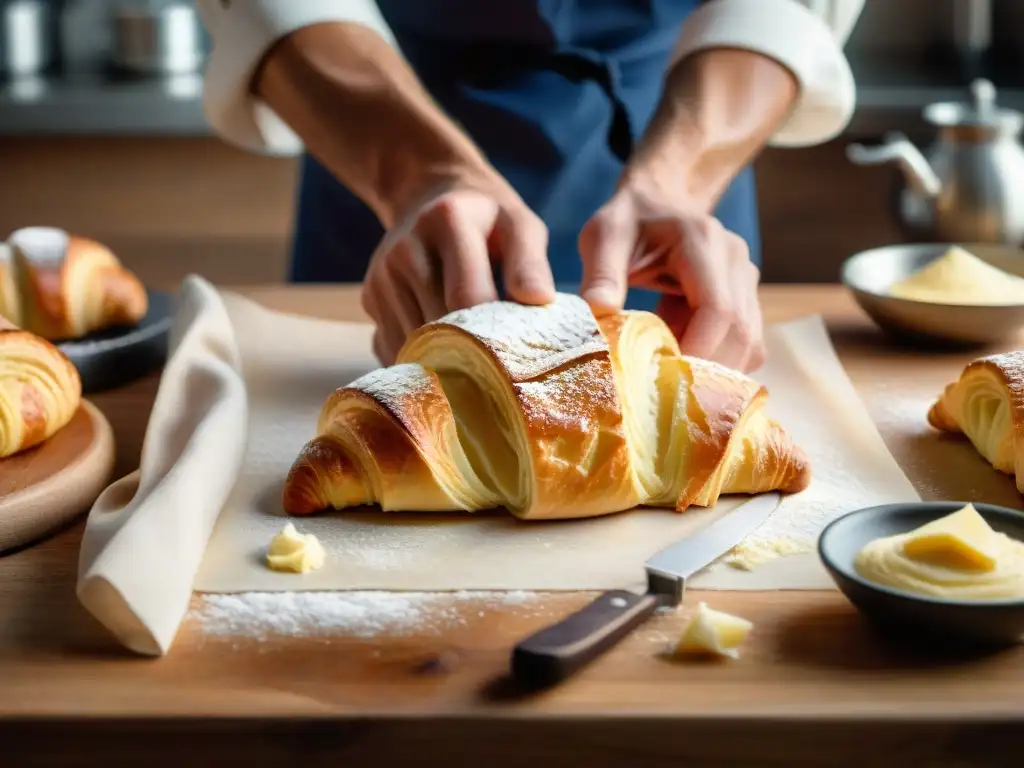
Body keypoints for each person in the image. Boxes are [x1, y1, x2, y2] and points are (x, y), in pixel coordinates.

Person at [197, 0, 864, 372]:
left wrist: (679, 181)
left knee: (696, 362)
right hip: (375, 118)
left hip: (676, 109)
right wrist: (418, 173)